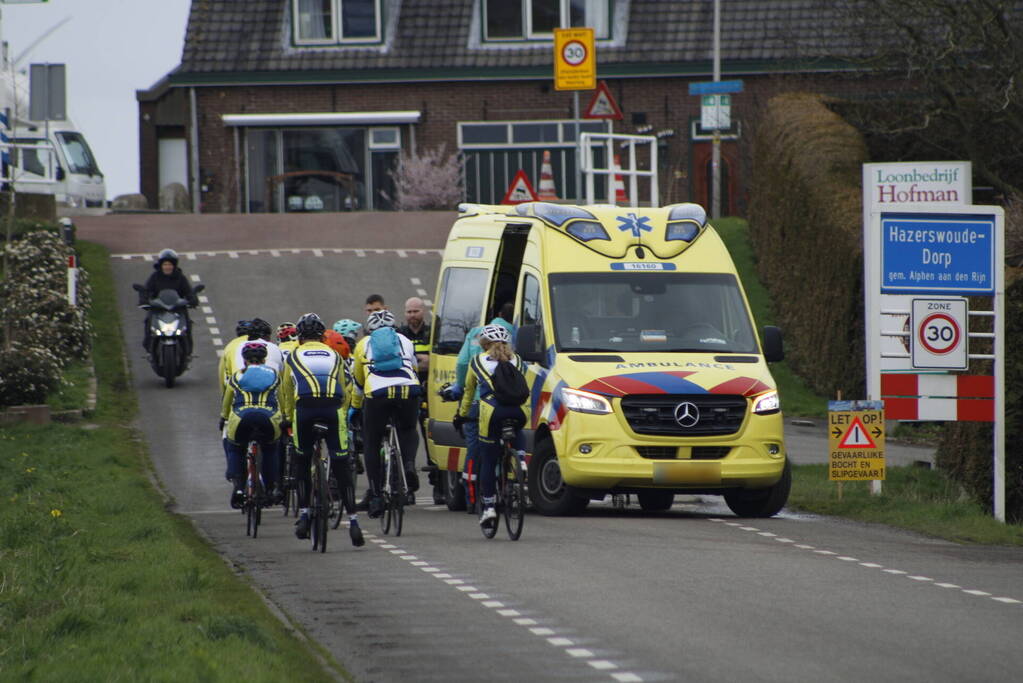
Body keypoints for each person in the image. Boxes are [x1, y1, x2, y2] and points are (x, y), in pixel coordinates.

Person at [279, 313, 363, 547]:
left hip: (304, 409)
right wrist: (343, 413)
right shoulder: (335, 355)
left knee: (302, 462)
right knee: (341, 464)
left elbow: (285, 390)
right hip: (332, 409)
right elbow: (346, 387)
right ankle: (354, 523)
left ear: (300, 337)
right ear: (322, 336)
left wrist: (287, 417)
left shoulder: (294, 356)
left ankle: (304, 515)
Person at [455, 324, 528, 528]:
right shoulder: (518, 360)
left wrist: (462, 414)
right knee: (517, 429)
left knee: (488, 460)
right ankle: (521, 458)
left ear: (483, 344)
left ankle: (488, 508)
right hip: (518, 412)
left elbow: (469, 392)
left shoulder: (477, 361)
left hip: (492, 413)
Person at [350, 309, 421, 517]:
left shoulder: (363, 344)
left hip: (378, 393)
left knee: (372, 441)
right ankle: (408, 465)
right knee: (408, 429)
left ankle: (376, 495)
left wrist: (355, 408)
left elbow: (358, 383)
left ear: (368, 330)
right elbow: (414, 368)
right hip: (408, 389)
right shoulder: (405, 340)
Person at [447, 312, 516, 511]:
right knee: (504, 446)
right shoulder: (514, 335)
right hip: (510, 405)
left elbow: (461, 365)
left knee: (476, 451)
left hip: (480, 403)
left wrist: (462, 408)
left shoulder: (476, 336)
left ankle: (472, 498)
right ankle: (508, 485)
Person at [220, 342, 282, 509]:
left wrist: (224, 417)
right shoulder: (274, 375)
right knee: (270, 449)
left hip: (241, 418)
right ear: (264, 360)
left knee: (235, 448)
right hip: (268, 417)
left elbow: (227, 401)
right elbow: (281, 399)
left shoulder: (237, 376)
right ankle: (271, 487)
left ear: (244, 360)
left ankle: (239, 488)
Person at [139, 248, 198, 353]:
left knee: (187, 324)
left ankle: (187, 350)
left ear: (174, 266)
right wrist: (144, 299)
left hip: (177, 309)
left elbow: (188, 291)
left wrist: (192, 299)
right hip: (158, 309)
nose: (167, 267)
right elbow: (147, 290)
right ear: (161, 265)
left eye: (170, 264)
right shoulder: (155, 277)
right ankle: (149, 346)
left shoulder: (180, 277)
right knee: (148, 321)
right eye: (165, 264)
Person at [398, 296, 431, 380]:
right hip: (407, 382)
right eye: (409, 312)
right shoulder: (399, 334)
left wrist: (410, 360)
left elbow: (433, 362)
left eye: (416, 311)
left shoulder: (432, 333)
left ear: (423, 311)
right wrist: (421, 359)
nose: (412, 315)